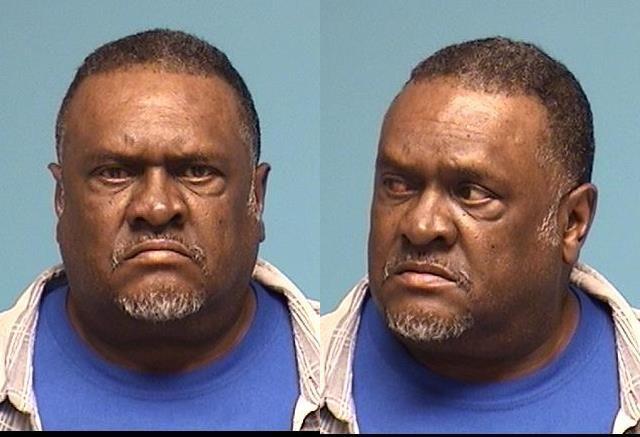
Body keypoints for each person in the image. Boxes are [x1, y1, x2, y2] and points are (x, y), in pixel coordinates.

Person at [0, 29, 319, 431]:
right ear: (61, 197)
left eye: (197, 171)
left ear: (256, 196)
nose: (156, 208)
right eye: (114, 173)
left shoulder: (328, 360)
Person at [321, 37, 640, 433]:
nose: (421, 226)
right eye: (398, 185)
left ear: (572, 222)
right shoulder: (308, 373)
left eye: (471, 193)